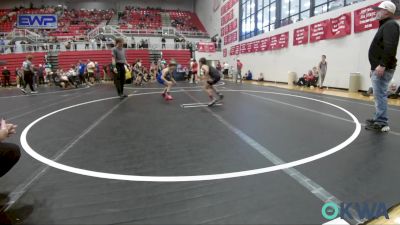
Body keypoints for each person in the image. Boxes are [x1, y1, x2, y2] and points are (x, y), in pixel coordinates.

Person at [366, 1, 399, 132]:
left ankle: (382, 122)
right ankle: (378, 117)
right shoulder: (386, 25)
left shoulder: (390, 25)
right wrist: (373, 67)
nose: (376, 12)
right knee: (378, 94)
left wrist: (382, 65)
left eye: (379, 10)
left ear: (387, 12)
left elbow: (390, 47)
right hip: (378, 67)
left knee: (380, 95)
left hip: (383, 67)